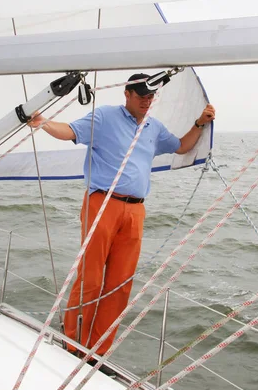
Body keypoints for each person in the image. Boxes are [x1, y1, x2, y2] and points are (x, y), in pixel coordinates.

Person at [29, 73, 215, 357]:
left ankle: (97, 352)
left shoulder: (154, 128)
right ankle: (73, 344)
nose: (146, 101)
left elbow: (181, 146)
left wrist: (200, 123)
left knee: (120, 284)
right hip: (102, 203)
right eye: (141, 96)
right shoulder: (104, 117)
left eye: (150, 97)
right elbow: (69, 131)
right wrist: (42, 122)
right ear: (126, 94)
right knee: (90, 278)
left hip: (135, 210)